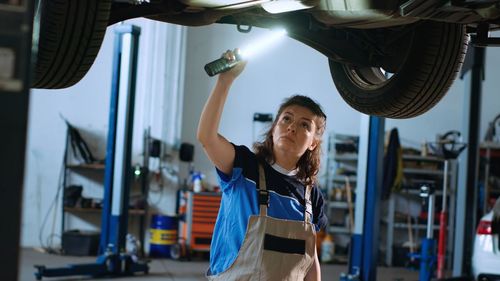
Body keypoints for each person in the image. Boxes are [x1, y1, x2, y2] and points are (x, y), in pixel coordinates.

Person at [197, 49, 328, 281]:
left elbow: (310, 260)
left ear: (313, 142)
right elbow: (207, 137)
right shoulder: (243, 167)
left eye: (304, 125)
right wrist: (225, 81)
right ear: (274, 127)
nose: (292, 127)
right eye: (286, 118)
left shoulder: (311, 197)